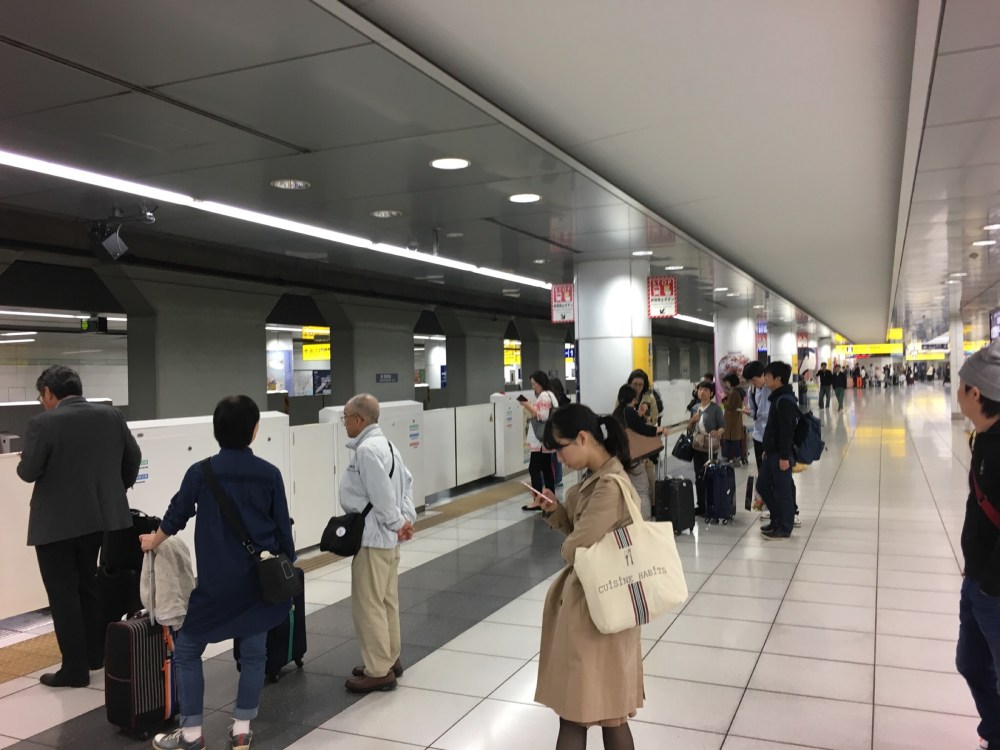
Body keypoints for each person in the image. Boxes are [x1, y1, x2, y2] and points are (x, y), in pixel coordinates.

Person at [139, 395, 295, 750]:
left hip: (214, 586)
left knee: (188, 651)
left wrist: (154, 540)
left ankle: (192, 734)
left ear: (216, 431)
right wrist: (287, 563)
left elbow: (176, 515)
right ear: (255, 431)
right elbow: (283, 531)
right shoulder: (269, 474)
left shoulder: (201, 472)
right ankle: (242, 729)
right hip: (257, 585)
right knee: (254, 654)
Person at [16, 365, 141, 689]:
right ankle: (94, 656)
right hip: (98, 520)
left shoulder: (43, 423)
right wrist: (116, 492)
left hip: (56, 524)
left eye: (41, 396)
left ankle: (74, 669)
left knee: (63, 594)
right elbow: (132, 458)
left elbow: (28, 472)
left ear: (49, 393)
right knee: (88, 584)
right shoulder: (111, 416)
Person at [533, 404, 642, 750]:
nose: (560, 458)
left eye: (561, 447)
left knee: (576, 713)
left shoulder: (609, 486)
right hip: (605, 605)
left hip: (594, 612)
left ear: (583, 438)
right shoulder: (598, 479)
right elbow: (583, 533)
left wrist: (572, 541)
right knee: (610, 713)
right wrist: (557, 512)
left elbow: (576, 547)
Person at [338, 393, 416, 694]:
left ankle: (378, 671)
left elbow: (382, 495)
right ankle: (389, 658)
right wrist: (406, 520)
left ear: (359, 419)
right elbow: (407, 483)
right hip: (388, 539)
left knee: (368, 605)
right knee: (386, 601)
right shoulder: (388, 446)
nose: (344, 422)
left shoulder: (368, 450)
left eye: (345, 417)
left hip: (373, 538)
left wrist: (398, 523)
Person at [954, 341, 1000, 750]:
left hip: (993, 587)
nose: (958, 388)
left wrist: (989, 582)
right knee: (969, 662)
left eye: (963, 383)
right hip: (978, 579)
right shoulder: (983, 438)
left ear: (977, 394)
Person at [757, 362, 799, 540]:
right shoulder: (776, 397)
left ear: (778, 379)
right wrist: (768, 449)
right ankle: (776, 519)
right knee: (763, 485)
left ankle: (785, 527)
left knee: (783, 491)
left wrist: (784, 457)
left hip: (781, 455)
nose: (765, 378)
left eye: (768, 375)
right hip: (772, 453)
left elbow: (786, 432)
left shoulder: (785, 401)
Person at [612, 384, 667, 520]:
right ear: (632, 398)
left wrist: (639, 415)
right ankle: (644, 520)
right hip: (634, 458)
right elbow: (641, 429)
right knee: (642, 490)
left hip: (620, 457)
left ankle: (629, 518)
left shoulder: (617, 413)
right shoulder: (629, 411)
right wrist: (659, 430)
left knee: (627, 490)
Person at [520, 370, 558, 511]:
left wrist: (527, 405)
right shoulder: (551, 395)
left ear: (540, 383)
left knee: (534, 469)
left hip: (540, 442)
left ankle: (538, 501)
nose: (533, 387)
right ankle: (550, 498)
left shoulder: (543, 396)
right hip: (547, 440)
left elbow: (542, 416)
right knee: (547, 468)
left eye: (534, 384)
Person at [688, 381, 724, 516]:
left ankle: (711, 504)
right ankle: (701, 505)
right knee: (698, 477)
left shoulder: (716, 408)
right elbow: (689, 429)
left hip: (710, 448)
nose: (702, 392)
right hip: (697, 447)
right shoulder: (695, 408)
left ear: (712, 393)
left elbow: (722, 426)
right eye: (700, 389)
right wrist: (692, 421)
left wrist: (717, 432)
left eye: (706, 390)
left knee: (710, 476)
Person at [627, 369, 660, 500]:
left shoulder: (649, 399)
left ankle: (653, 504)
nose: (638, 387)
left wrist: (643, 418)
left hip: (645, 440)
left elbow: (654, 418)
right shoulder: (624, 397)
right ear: (630, 383)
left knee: (649, 472)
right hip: (629, 442)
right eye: (635, 384)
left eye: (641, 384)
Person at [549, 377, 572, 487]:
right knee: (555, 455)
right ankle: (558, 479)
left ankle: (555, 478)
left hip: (557, 430)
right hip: (562, 430)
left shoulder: (556, 401)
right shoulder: (564, 399)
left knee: (553, 455)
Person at [721, 373, 746, 465]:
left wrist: (724, 400)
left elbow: (729, 406)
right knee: (731, 440)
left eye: (726, 382)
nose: (725, 384)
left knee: (730, 440)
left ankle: (732, 458)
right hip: (733, 420)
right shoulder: (736, 392)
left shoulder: (733, 393)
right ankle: (732, 457)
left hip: (731, 421)